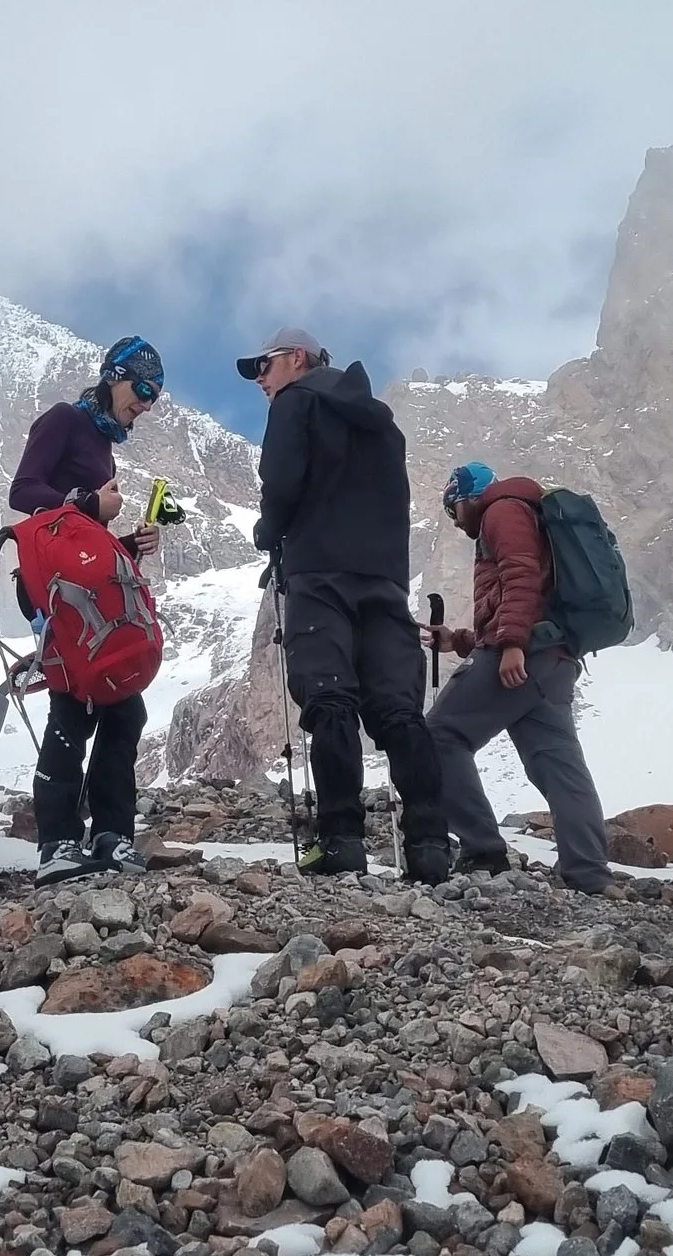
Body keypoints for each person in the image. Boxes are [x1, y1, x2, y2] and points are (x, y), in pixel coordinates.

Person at [241, 326, 450, 882]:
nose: (260, 380)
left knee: (329, 698)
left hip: (320, 574)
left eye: (263, 366)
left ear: (296, 359)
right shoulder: (383, 422)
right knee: (398, 709)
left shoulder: (294, 404)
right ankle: (429, 844)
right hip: (384, 578)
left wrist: (269, 532)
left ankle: (342, 841)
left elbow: (280, 482)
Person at [7, 335, 166, 881]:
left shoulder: (101, 444)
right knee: (73, 704)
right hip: (52, 589)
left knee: (123, 705)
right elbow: (23, 491)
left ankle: (110, 835)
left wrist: (125, 541)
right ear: (113, 375)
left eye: (155, 397)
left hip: (81, 586)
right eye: (142, 388)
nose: (146, 403)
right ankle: (57, 842)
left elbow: (80, 533)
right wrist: (88, 504)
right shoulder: (63, 421)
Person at [426, 460, 611, 893]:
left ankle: (483, 851)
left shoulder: (501, 511)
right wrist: (460, 640)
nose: (455, 523)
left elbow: (521, 574)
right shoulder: (525, 509)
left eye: (453, 511)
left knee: (437, 735)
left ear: (468, 499)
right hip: (554, 659)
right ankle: (589, 874)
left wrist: (511, 645)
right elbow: (531, 594)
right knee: (559, 765)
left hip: (524, 653)